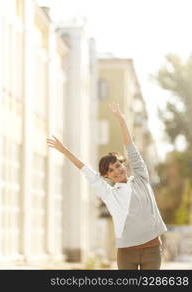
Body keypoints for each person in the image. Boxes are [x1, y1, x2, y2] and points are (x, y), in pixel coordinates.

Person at [47, 103, 167, 270]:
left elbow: (131, 148)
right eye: (111, 170)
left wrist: (122, 120)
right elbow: (86, 171)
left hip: (152, 250)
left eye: (118, 166)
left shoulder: (141, 178)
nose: (116, 171)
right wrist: (64, 150)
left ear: (123, 165)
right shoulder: (110, 194)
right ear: (107, 176)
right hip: (126, 253)